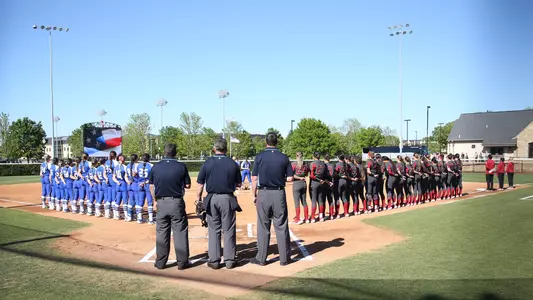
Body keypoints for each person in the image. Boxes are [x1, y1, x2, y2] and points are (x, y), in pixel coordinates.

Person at [196, 139, 242, 270]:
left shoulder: (208, 162)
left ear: (214, 148)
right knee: (228, 230)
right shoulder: (232, 163)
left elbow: (200, 183)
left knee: (214, 229)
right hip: (227, 198)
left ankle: (215, 260)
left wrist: (198, 198)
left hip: (212, 199)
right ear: (226, 149)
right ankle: (229, 260)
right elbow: (239, 184)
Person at [250, 132, 294, 267]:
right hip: (279, 193)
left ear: (266, 142)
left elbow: (254, 178)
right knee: (281, 225)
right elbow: (290, 178)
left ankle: (262, 258)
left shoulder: (260, 156)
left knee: (263, 226)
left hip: (263, 193)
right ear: (277, 142)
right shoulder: (284, 157)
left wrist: (254, 195)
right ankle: (284, 258)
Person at [149, 144, 192, 270]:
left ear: (164, 152)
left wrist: (155, 200)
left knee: (162, 233)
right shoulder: (181, 166)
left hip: (161, 202)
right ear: (175, 153)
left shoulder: (156, 167)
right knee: (180, 232)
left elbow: (151, 185)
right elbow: (188, 185)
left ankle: (161, 262)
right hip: (176, 202)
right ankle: (182, 263)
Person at [309, 152, 330, 223]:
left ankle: (312, 217)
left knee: (314, 200)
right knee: (320, 200)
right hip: (322, 183)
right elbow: (325, 175)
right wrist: (322, 180)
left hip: (314, 183)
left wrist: (318, 179)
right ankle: (321, 217)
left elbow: (311, 175)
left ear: (314, 156)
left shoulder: (312, 163)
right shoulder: (323, 164)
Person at [291, 152, 309, 225]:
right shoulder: (305, 164)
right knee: (304, 201)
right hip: (304, 184)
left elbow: (292, 175)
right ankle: (307, 218)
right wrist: (302, 177)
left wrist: (299, 177)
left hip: (296, 184)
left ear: (296, 156)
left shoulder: (294, 164)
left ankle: (298, 218)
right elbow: (307, 174)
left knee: (297, 202)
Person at [137, 154, 155, 224]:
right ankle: (150, 220)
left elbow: (136, 175)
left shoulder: (138, 165)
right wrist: (145, 182)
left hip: (140, 185)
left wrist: (141, 182)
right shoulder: (151, 165)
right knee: (150, 202)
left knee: (140, 202)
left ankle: (139, 219)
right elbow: (152, 177)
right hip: (148, 185)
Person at [112, 154, 131, 220]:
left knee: (118, 200)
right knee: (125, 200)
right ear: (123, 160)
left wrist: (117, 182)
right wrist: (128, 182)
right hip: (123, 184)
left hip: (118, 184)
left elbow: (113, 178)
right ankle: (126, 216)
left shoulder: (116, 167)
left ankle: (116, 216)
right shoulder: (125, 167)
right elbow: (126, 177)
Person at [126, 154, 139, 222]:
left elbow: (126, 175)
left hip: (129, 185)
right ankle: (138, 217)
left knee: (130, 200)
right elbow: (135, 174)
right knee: (137, 201)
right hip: (135, 184)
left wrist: (128, 181)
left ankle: (129, 216)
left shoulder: (128, 165)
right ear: (136, 159)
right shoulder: (137, 165)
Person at [323, 154, 336, 220]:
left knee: (323, 200)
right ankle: (331, 215)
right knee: (331, 199)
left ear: (324, 159)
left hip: (325, 183)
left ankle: (322, 215)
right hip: (331, 183)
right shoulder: (333, 165)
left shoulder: (323, 165)